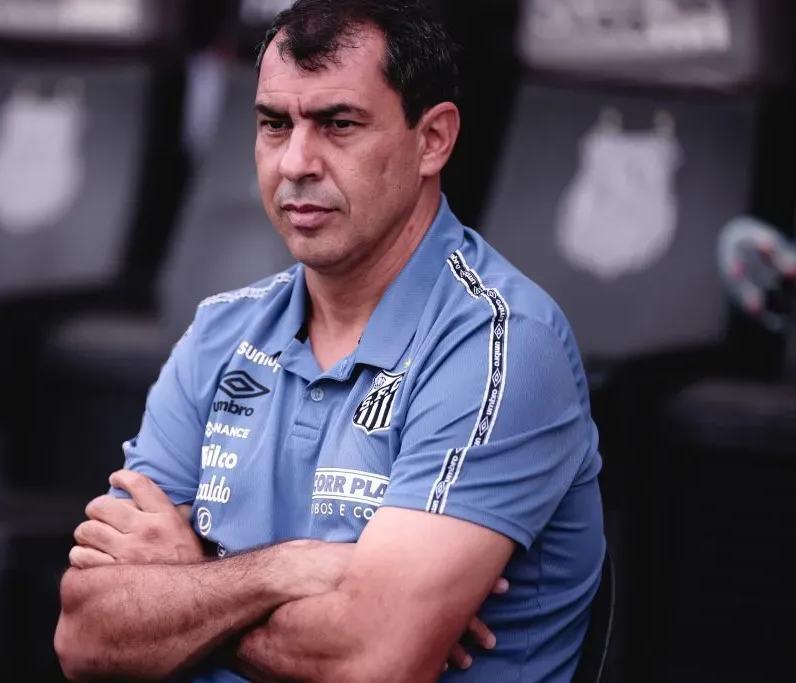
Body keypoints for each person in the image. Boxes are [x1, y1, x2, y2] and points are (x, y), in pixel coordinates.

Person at [54, 0, 606, 681]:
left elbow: (370, 658)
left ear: (432, 139)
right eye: (273, 124)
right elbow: (85, 634)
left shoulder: (500, 345)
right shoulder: (221, 331)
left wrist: (190, 577)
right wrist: (287, 570)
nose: (295, 162)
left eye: (338, 124)